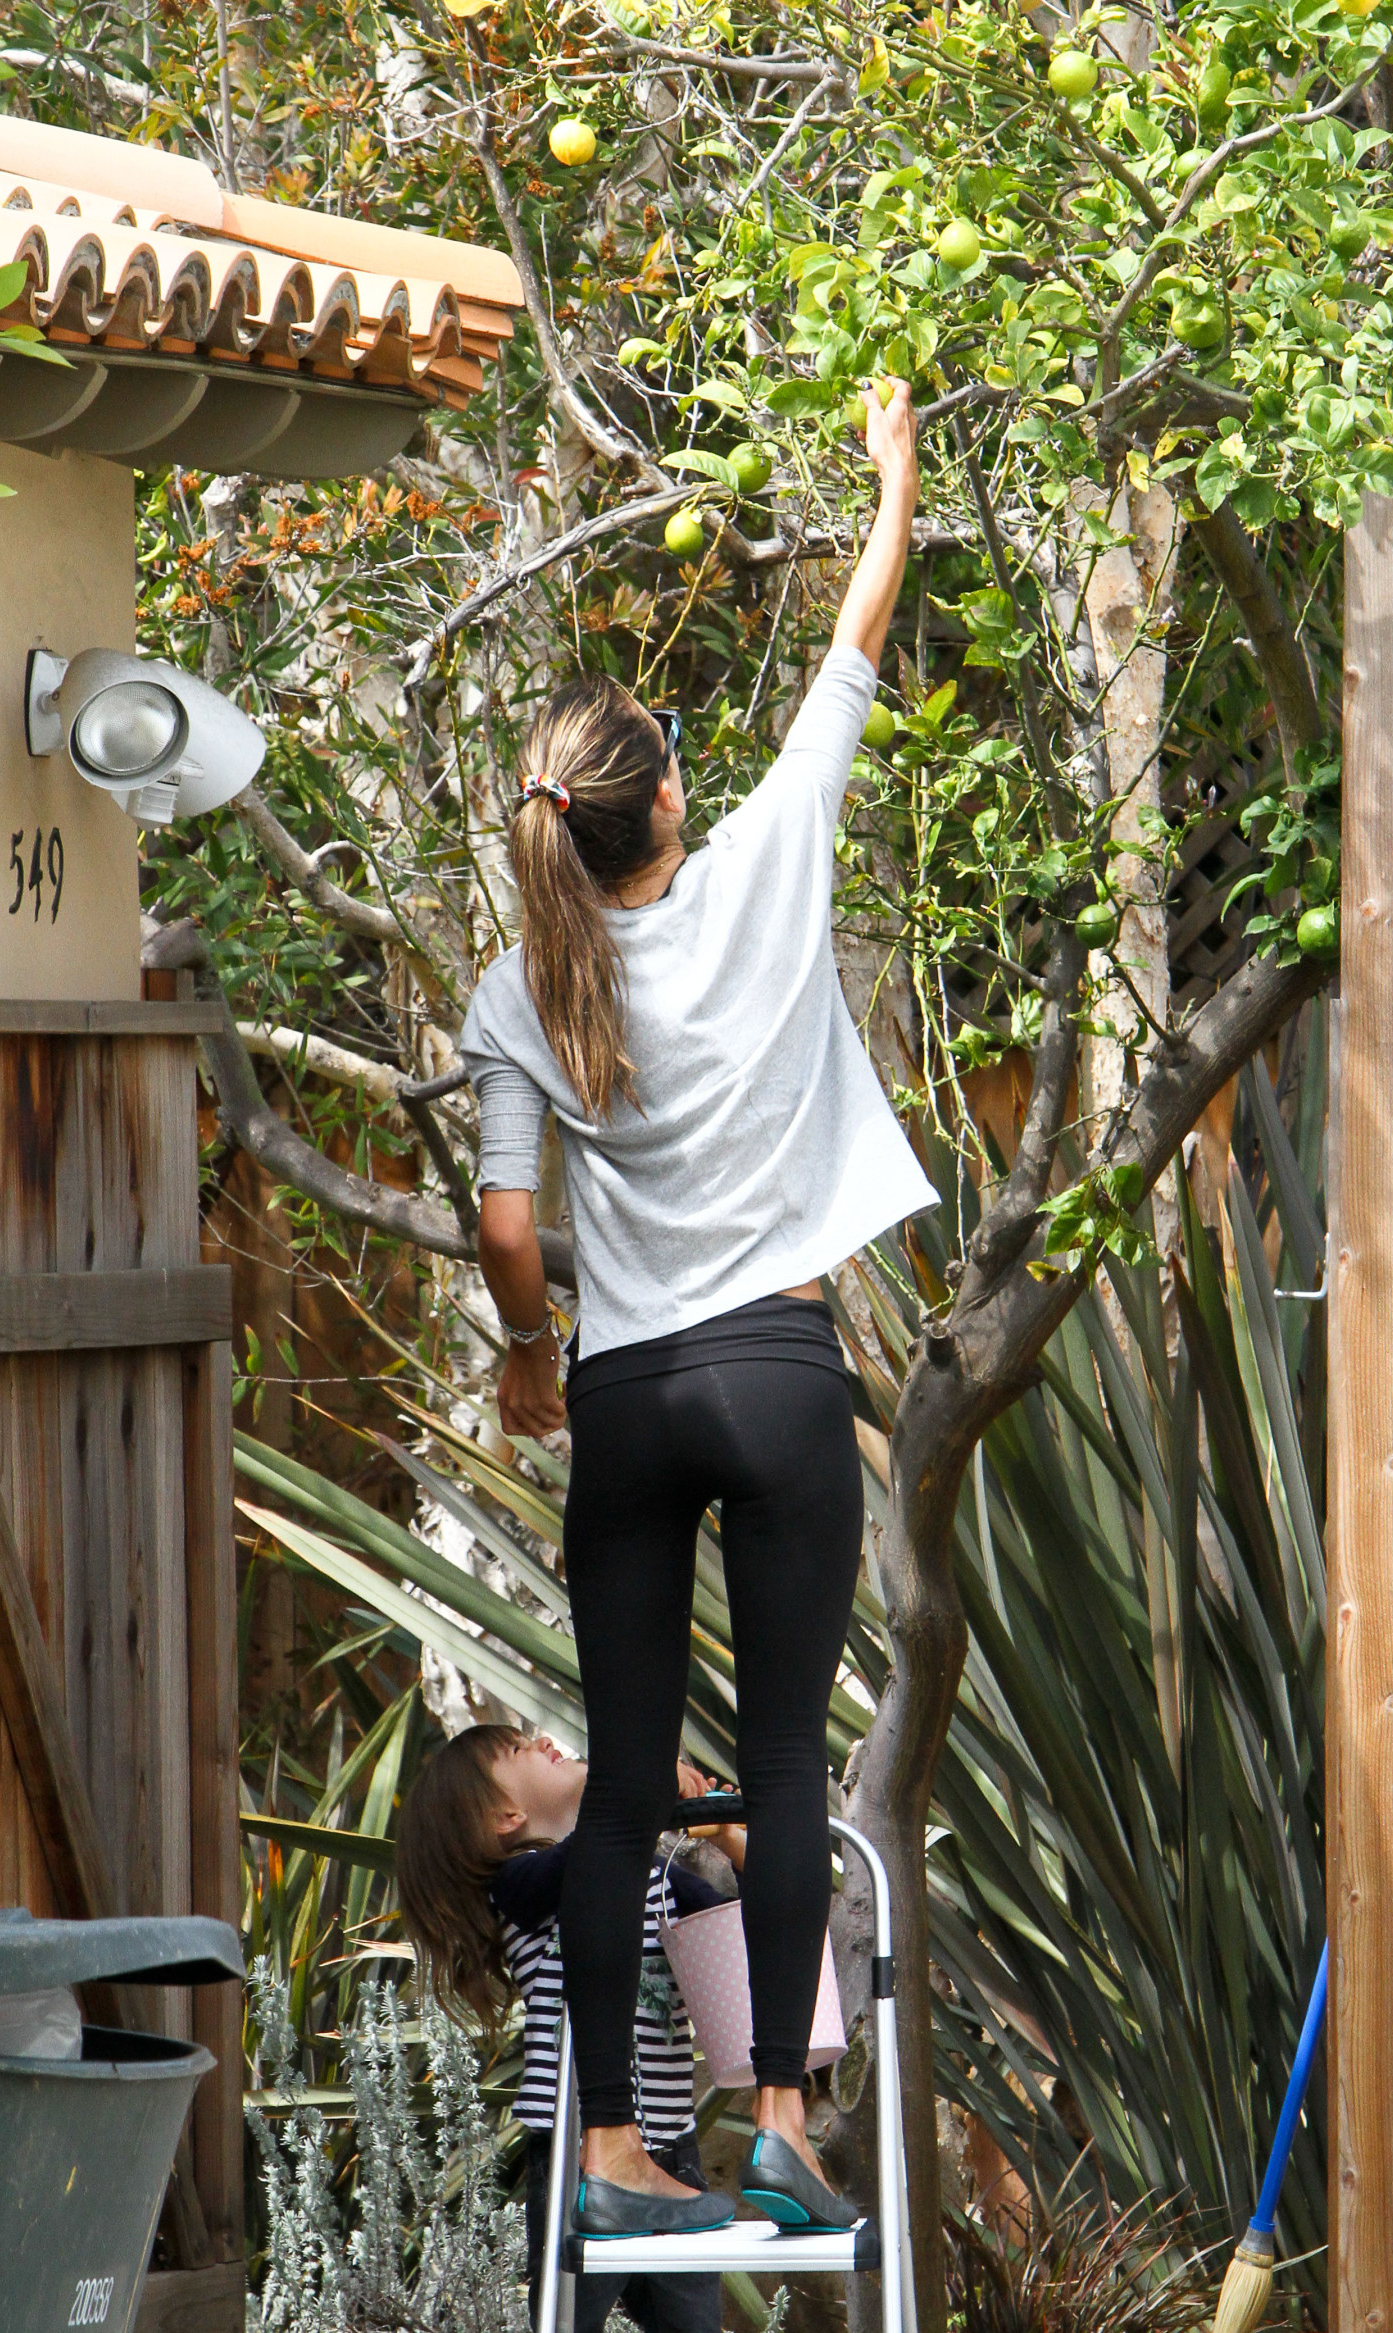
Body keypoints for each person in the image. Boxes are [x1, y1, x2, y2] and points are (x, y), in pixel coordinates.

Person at [459, 378, 932, 2238]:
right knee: (792, 1755)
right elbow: (854, 634)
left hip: (631, 1394)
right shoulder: (760, 871)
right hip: (778, 1369)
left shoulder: (523, 988)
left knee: (628, 1774)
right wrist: (888, 473)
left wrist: (523, 1354)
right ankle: (782, 2121)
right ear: (664, 801)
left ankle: (596, 2149)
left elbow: (511, 1227)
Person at [396, 1722, 798, 2333]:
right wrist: (634, 1801)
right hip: (581, 2156)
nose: (546, 1737)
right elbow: (589, 1870)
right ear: (505, 1818)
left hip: (672, 2156)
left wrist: (723, 1836)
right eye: (521, 1750)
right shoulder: (528, 1885)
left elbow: (735, 1932)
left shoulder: (653, 1874)